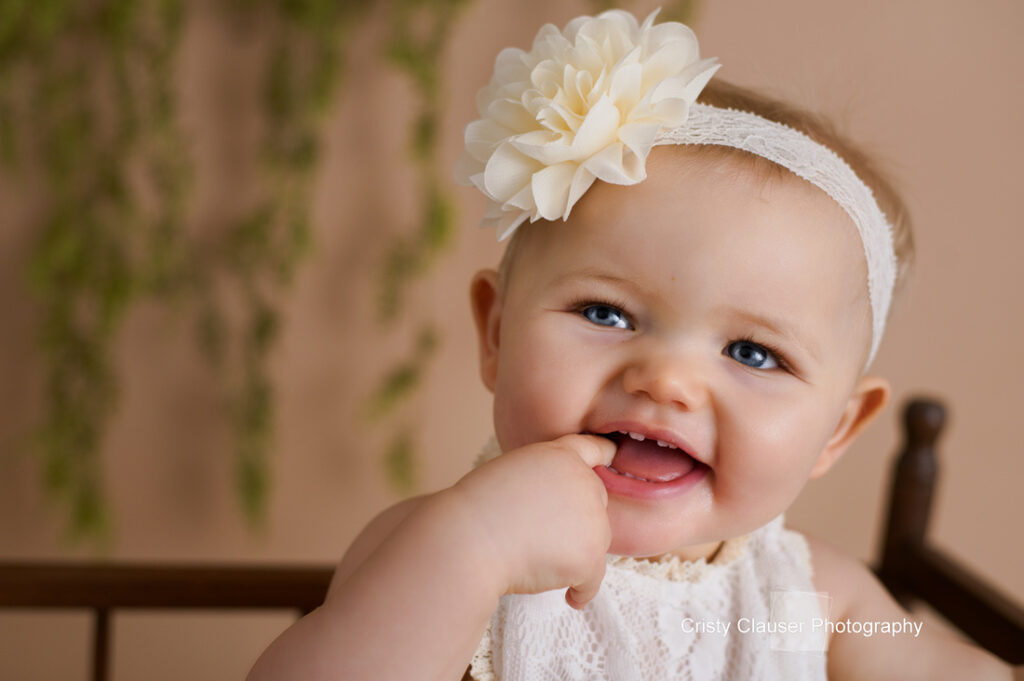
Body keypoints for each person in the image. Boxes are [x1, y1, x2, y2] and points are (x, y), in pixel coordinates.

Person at [247, 9, 1012, 680]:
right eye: (607, 313)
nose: (666, 381)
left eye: (753, 353)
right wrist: (474, 547)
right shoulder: (439, 552)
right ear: (497, 330)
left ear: (837, 429)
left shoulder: (810, 603)